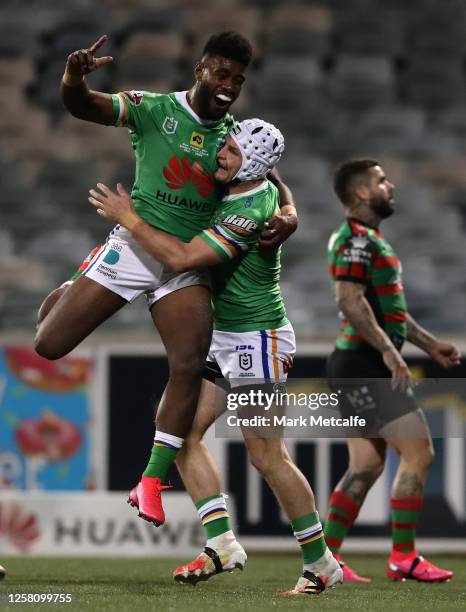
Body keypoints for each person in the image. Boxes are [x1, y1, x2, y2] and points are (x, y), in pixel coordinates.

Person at [35, 32, 297, 521]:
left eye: (237, 80)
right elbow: (84, 106)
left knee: (188, 364)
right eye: (222, 74)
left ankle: (152, 482)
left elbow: (275, 177)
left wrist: (291, 214)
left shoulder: (237, 133)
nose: (229, 87)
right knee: (49, 345)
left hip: (185, 260)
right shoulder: (153, 109)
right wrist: (72, 76)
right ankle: (76, 287)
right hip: (135, 247)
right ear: (200, 68)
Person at [88, 118, 343, 596]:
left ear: (255, 162)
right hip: (224, 336)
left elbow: (184, 259)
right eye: (224, 144)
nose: (219, 154)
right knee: (179, 430)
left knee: (266, 454)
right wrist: (293, 209)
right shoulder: (249, 183)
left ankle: (321, 561)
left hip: (257, 340)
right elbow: (279, 182)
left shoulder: (247, 211)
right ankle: (222, 543)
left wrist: (130, 218)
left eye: (230, 148)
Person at [324, 159, 460, 583]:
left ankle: (324, 560)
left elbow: (389, 313)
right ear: (362, 193)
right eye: (382, 181)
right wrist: (389, 353)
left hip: (353, 364)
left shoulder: (367, 239)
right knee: (420, 453)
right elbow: (350, 301)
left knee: (365, 466)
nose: (391, 185)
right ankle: (404, 555)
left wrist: (428, 344)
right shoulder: (357, 241)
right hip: (364, 364)